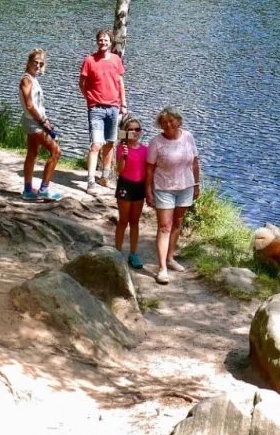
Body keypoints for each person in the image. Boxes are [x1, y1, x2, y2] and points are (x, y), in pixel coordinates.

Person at [145, 108, 200, 284]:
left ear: (179, 121)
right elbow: (149, 168)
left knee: (177, 223)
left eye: (171, 121)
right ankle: (162, 268)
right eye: (164, 122)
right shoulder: (156, 142)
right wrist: (148, 190)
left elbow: (195, 162)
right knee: (164, 227)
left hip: (186, 186)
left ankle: (170, 258)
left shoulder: (188, 137)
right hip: (164, 188)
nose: (168, 125)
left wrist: (196, 185)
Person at [78, 28, 127, 194]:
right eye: (100, 40)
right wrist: (90, 100)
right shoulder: (89, 60)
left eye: (106, 40)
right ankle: (90, 180)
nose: (103, 42)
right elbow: (82, 84)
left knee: (111, 143)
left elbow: (120, 83)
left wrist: (124, 104)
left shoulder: (116, 59)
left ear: (111, 41)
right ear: (97, 41)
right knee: (96, 145)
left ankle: (105, 177)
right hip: (96, 109)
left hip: (114, 108)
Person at [19, 49, 62, 202]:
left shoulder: (33, 78)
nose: (37, 65)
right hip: (34, 123)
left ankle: (28, 190)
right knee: (56, 151)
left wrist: (46, 121)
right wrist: (43, 123)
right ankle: (44, 190)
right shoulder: (26, 80)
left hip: (36, 121)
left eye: (41, 63)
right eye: (35, 62)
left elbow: (37, 106)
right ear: (28, 62)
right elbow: (30, 105)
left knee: (32, 153)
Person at [113, 117, 148, 269]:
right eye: (131, 129)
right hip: (125, 185)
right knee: (123, 220)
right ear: (125, 132)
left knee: (135, 221)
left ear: (141, 132)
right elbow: (119, 170)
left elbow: (148, 171)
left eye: (137, 129)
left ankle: (133, 254)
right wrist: (124, 156)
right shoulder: (121, 148)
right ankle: (117, 252)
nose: (134, 132)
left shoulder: (146, 150)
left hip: (139, 187)